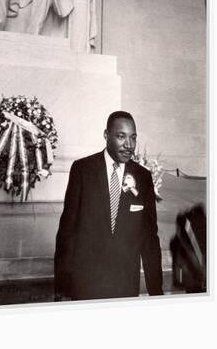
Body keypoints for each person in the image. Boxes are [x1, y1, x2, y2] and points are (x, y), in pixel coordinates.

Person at [54, 111, 163, 300]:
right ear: (106, 135)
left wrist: (156, 291)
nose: (128, 145)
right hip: (86, 283)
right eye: (121, 136)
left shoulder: (143, 177)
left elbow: (150, 239)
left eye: (133, 138)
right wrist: (61, 288)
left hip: (125, 285)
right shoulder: (82, 170)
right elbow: (67, 232)